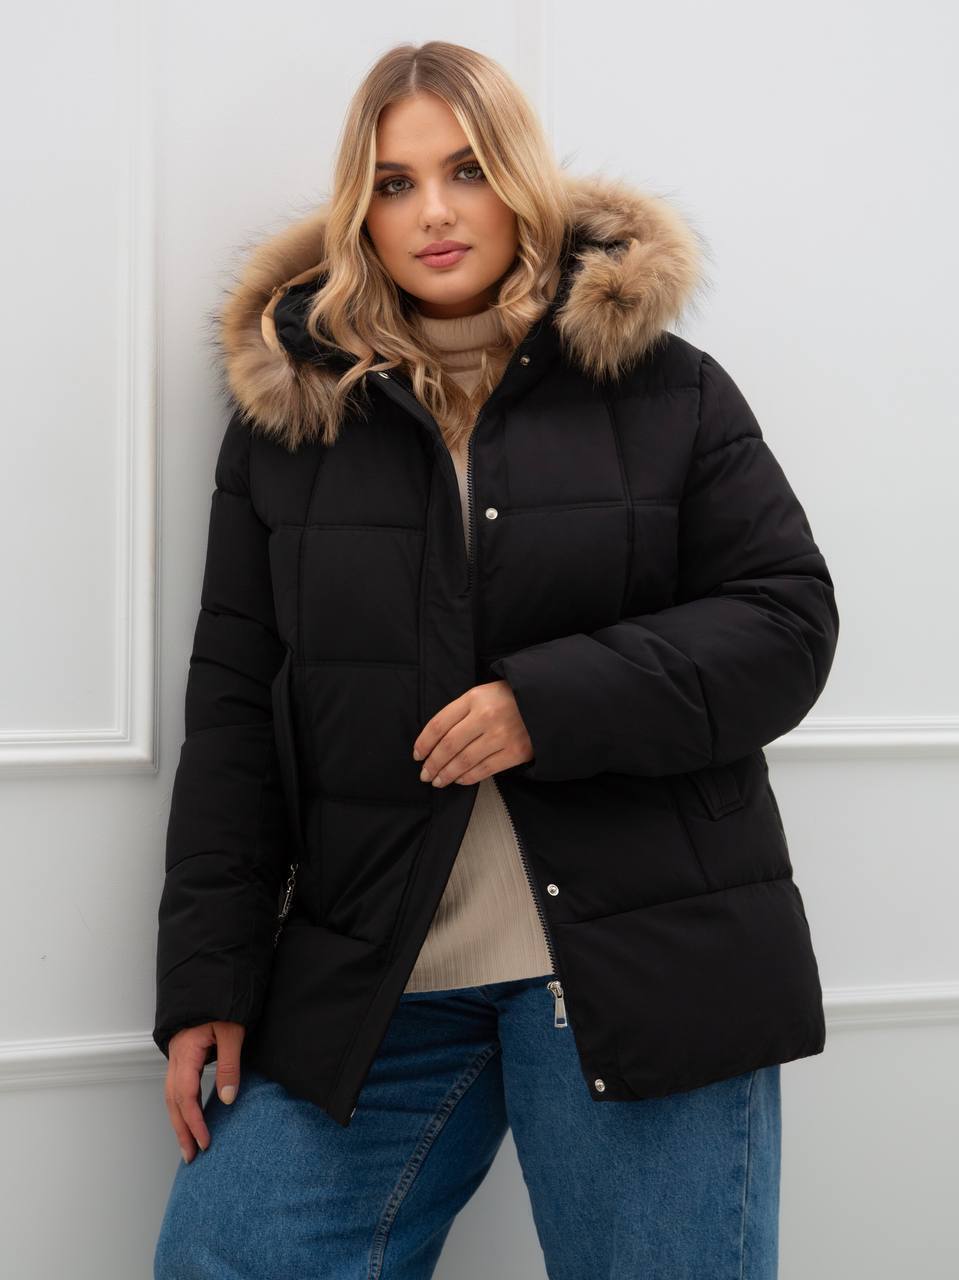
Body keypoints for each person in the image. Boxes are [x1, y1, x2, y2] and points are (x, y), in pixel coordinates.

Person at [152, 39, 839, 1280]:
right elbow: (236, 710)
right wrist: (209, 976)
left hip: (641, 957)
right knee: (228, 1252)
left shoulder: (667, 392)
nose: (433, 210)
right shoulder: (292, 428)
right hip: (375, 971)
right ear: (359, 208)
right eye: (394, 181)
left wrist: (545, 702)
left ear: (518, 177)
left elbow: (785, 624)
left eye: (464, 170)